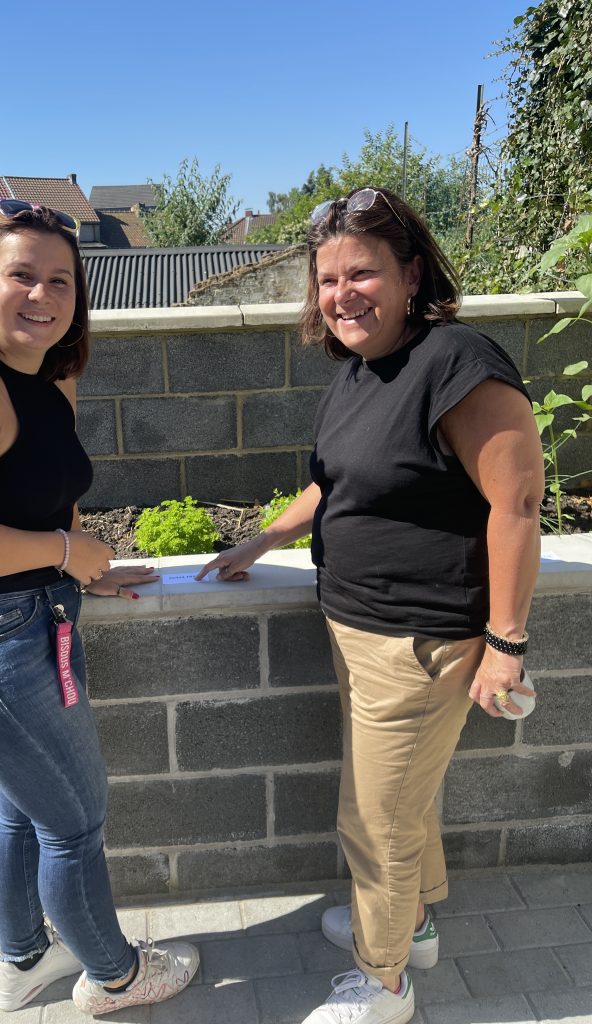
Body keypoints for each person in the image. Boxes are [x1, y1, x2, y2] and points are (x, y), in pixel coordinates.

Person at [196, 186, 544, 1024]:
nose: (343, 293)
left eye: (364, 273)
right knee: (395, 803)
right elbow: (334, 482)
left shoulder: (459, 362)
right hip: (358, 630)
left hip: (423, 642)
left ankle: (385, 982)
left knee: (373, 822)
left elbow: (518, 503)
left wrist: (506, 641)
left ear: (411, 271)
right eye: (328, 279)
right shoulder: (361, 371)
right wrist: (262, 541)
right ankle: (412, 924)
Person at [0, 199, 199, 1015]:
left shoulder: (50, 382)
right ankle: (114, 977)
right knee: (74, 822)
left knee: (25, 809)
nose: (42, 293)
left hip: (33, 626)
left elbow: (48, 500)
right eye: (21, 274)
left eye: (59, 279)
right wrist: (68, 556)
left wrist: (88, 568)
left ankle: (23, 961)